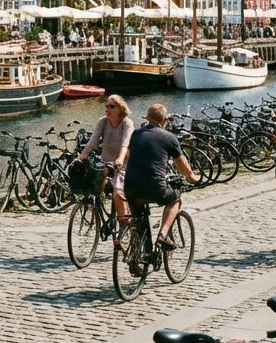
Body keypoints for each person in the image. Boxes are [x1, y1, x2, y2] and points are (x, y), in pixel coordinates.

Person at [123, 104, 200, 249]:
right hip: (154, 187)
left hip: (131, 187)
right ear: (164, 120)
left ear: (147, 118)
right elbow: (182, 165)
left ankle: (139, 255)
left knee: (139, 216)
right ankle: (163, 235)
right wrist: (193, 178)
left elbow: (128, 155)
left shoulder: (135, 134)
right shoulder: (169, 137)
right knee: (175, 199)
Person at [74, 95, 134, 223]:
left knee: (118, 193)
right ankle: (96, 209)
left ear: (120, 108)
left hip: (123, 165)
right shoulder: (103, 121)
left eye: (111, 106)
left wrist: (120, 159)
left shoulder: (126, 123)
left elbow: (125, 143)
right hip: (105, 163)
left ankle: (124, 223)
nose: (107, 109)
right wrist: (82, 155)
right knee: (95, 185)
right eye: (106, 106)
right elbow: (93, 141)